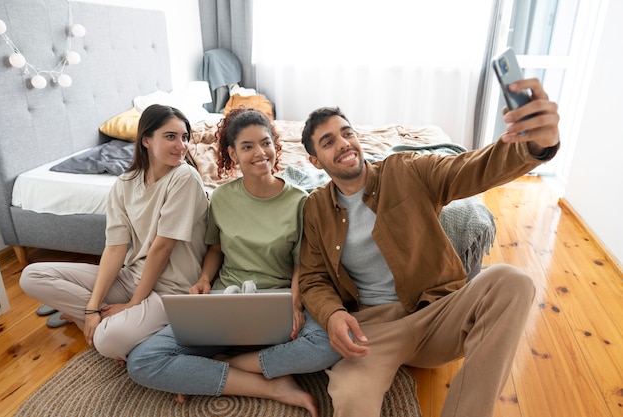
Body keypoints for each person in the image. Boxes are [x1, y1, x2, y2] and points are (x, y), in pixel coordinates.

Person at [298, 78, 560, 417]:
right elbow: (313, 278)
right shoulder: (315, 208)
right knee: (350, 400)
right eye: (328, 142)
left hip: (437, 312)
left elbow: (471, 168)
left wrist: (535, 146)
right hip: (371, 331)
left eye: (347, 133)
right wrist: (333, 314)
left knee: (513, 282)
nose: (344, 144)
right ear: (316, 161)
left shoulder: (406, 170)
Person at [126, 108, 341, 417]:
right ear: (232, 153)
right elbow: (215, 249)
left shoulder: (299, 201)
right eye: (247, 146)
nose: (260, 153)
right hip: (225, 302)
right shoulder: (222, 198)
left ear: (274, 145)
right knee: (143, 360)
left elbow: (301, 264)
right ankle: (270, 385)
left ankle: (218, 366)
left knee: (328, 344)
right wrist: (203, 279)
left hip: (276, 304)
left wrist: (295, 303)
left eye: (265, 143)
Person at [20, 104, 209, 361]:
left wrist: (132, 305)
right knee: (32, 276)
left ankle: (82, 317)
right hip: (130, 277)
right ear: (146, 140)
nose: (181, 145)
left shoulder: (184, 177)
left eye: (184, 137)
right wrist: (91, 308)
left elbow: (162, 248)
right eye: (170, 136)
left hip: (171, 289)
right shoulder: (124, 183)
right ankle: (87, 315)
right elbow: (115, 247)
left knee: (108, 341)